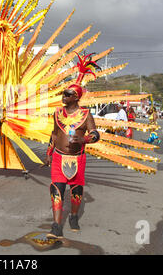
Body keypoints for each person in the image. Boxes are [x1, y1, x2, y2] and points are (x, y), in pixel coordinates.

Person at [43, 70, 100, 238]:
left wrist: (83, 140)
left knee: (76, 191)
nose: (64, 96)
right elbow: (53, 135)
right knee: (57, 189)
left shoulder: (86, 115)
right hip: (59, 157)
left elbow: (96, 134)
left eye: (68, 94)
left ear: (76, 97)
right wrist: (48, 153)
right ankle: (56, 226)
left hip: (77, 158)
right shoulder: (57, 113)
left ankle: (74, 217)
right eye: (63, 94)